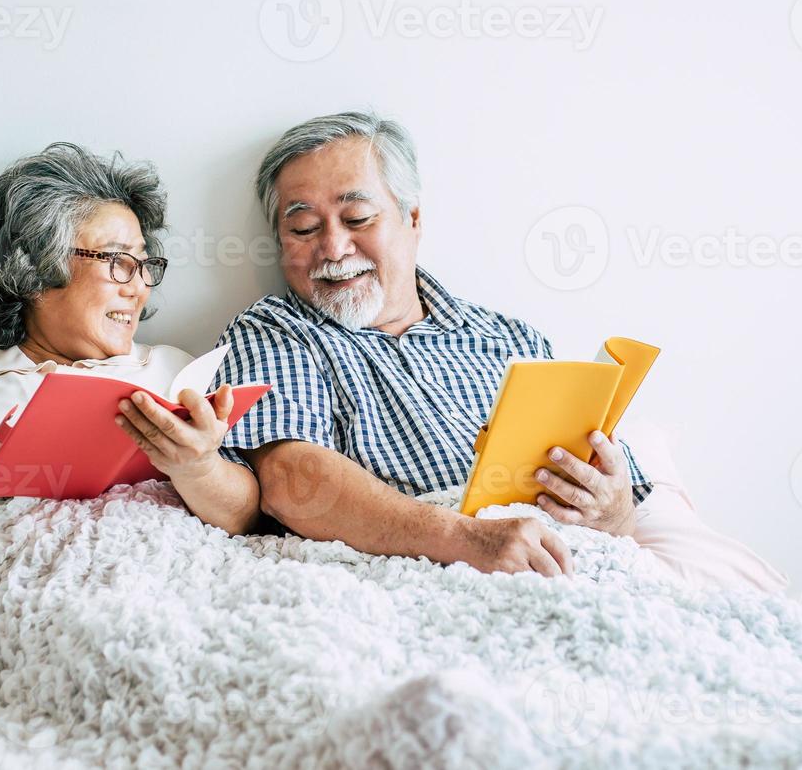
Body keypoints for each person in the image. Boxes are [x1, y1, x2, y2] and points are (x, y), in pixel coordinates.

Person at [209, 112, 651, 578]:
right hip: (417, 577)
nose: (334, 247)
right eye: (303, 229)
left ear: (412, 218)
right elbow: (291, 481)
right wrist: (467, 540)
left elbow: (621, 508)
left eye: (357, 217)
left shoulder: (512, 339)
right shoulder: (273, 329)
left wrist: (613, 512)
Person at [0, 143, 259, 582]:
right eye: (118, 261)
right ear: (37, 271)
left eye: (144, 264)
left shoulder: (175, 372)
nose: (139, 287)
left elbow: (245, 521)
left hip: (161, 585)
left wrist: (198, 466)